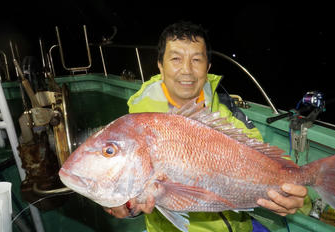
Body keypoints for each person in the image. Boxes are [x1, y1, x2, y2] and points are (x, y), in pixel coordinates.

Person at [104, 21, 307, 231]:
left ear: (208, 67)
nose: (187, 70)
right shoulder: (137, 127)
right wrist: (127, 207)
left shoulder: (229, 116)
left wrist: (293, 197)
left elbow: (268, 168)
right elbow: (127, 198)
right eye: (175, 59)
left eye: (196, 59)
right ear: (160, 66)